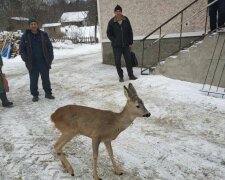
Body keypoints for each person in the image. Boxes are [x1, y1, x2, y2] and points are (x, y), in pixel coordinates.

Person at [20, 18, 55, 102]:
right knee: (33, 80)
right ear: (29, 26)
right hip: (32, 63)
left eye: (35, 24)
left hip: (44, 62)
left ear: (37, 25)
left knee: (46, 79)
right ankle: (35, 95)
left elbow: (49, 47)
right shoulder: (25, 36)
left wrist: (50, 58)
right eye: (31, 24)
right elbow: (22, 50)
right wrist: (26, 59)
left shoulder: (43, 35)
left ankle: (48, 93)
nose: (33, 25)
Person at [107, 4, 137, 82]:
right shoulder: (111, 22)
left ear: (121, 12)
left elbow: (130, 31)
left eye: (119, 11)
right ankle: (121, 76)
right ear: (114, 12)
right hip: (116, 46)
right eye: (116, 11)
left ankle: (131, 75)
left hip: (126, 45)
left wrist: (130, 42)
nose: (118, 12)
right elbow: (108, 33)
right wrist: (115, 40)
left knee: (129, 60)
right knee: (117, 62)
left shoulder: (126, 20)